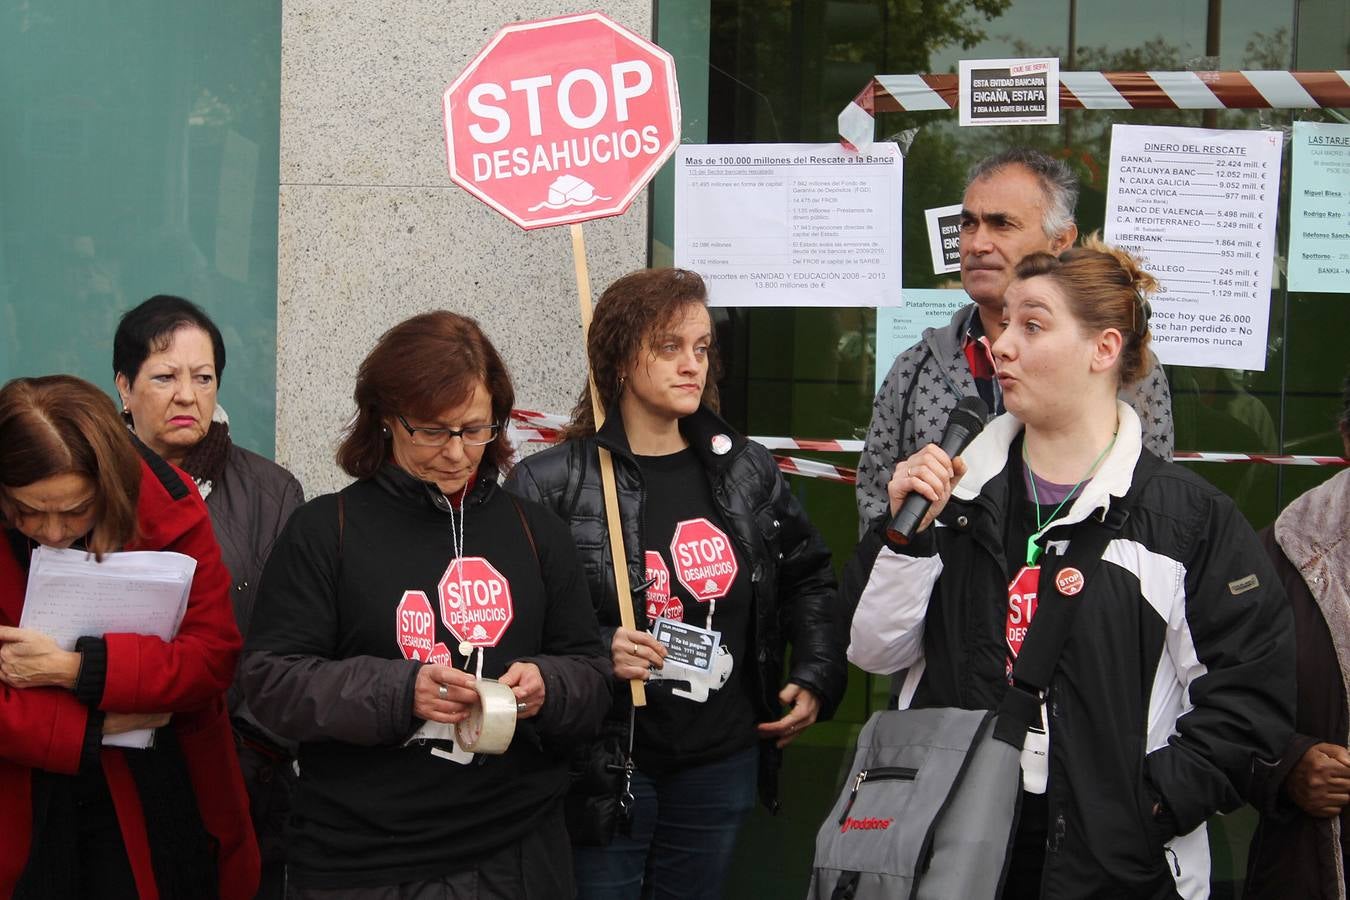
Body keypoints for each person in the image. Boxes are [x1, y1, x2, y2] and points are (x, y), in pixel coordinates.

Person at [843, 239, 1293, 899]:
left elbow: (1249, 696)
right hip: (954, 846)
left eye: (1033, 325)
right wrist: (905, 536)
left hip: (1113, 860)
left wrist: (1148, 808)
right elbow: (873, 651)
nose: (1002, 346)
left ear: (1103, 349)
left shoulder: (1187, 519)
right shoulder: (953, 496)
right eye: (1003, 325)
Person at [238, 311, 611, 898]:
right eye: (434, 431)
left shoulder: (535, 529)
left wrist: (550, 684)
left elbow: (591, 672)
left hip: (515, 851)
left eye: (476, 429)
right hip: (364, 861)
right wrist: (399, 691)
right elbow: (271, 684)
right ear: (386, 419)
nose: (458, 453)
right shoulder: (325, 529)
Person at [506, 267, 847, 900]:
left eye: (701, 347)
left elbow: (808, 575)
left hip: (720, 760)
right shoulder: (552, 483)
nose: (692, 364)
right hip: (603, 763)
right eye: (669, 347)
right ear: (617, 356)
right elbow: (511, 626)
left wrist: (817, 670)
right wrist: (599, 647)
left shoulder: (744, 468)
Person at [0, 374, 259, 898]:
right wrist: (91, 724)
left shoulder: (167, 504)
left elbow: (210, 658)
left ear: (112, 483)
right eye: (26, 511)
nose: (52, 532)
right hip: (18, 790)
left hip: (153, 781)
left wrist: (78, 669)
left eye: (75, 511)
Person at [856, 147, 1175, 528]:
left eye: (1001, 224)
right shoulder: (914, 370)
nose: (977, 244)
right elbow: (876, 516)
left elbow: (1155, 509)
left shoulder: (1118, 367)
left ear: (1061, 240)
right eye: (969, 224)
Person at [113, 293, 304, 897]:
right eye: (164, 377)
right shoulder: (89, 482)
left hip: (236, 759)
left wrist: (252, 753)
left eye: (203, 378)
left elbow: (288, 637)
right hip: (111, 752)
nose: (186, 395)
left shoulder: (269, 491)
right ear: (123, 386)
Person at [1245, 375, 1350, 899]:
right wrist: (1287, 766)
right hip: (1311, 867)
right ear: (1347, 438)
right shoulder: (1282, 556)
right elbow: (1219, 702)